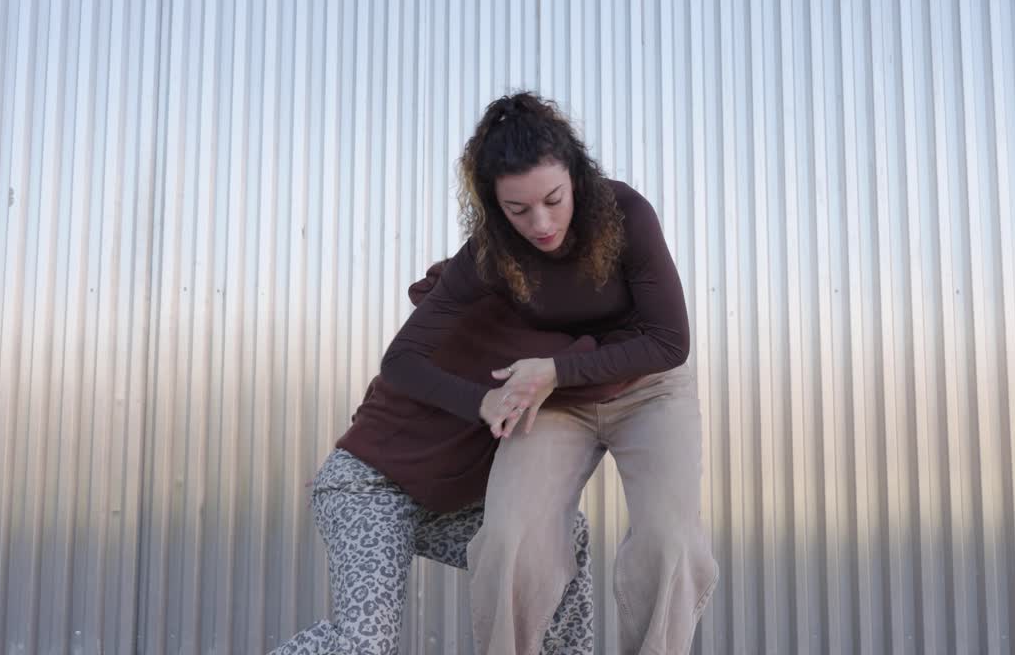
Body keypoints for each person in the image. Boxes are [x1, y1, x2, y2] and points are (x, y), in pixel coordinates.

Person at [379, 92, 719, 654]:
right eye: (518, 210)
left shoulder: (625, 212)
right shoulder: (491, 251)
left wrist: (557, 370)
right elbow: (402, 360)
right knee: (508, 543)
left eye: (553, 200)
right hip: (554, 399)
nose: (540, 223)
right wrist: (481, 403)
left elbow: (669, 341)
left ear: (577, 179)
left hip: (648, 388)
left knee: (670, 541)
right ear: (494, 206)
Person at [271, 260, 626, 655]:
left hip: (446, 506)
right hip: (370, 488)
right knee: (365, 645)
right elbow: (395, 377)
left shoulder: (563, 338)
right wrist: (354, 453)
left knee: (565, 532)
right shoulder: (479, 303)